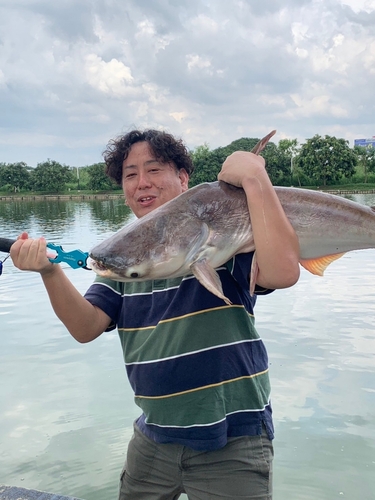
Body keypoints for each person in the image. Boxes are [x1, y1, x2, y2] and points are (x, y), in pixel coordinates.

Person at [10, 129, 300, 500]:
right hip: (153, 438)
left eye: (154, 170)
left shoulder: (224, 233)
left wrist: (255, 179)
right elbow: (86, 327)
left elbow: (282, 272)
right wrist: (50, 272)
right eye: (130, 175)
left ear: (183, 177)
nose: (141, 182)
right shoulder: (124, 253)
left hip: (233, 439)